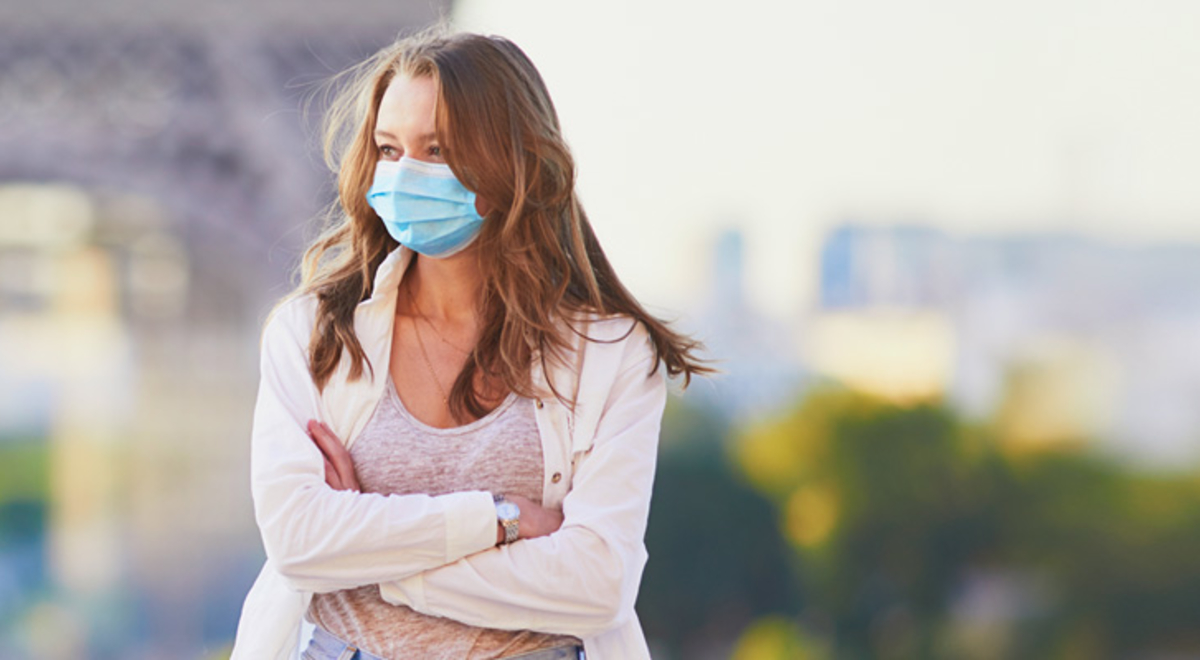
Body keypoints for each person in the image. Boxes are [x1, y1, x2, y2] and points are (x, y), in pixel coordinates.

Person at [230, 28, 708, 660]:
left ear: (513, 159)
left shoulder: (611, 352)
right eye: (389, 149)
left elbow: (598, 584)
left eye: (437, 149)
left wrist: (377, 552)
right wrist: (500, 519)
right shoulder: (314, 334)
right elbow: (297, 543)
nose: (405, 174)